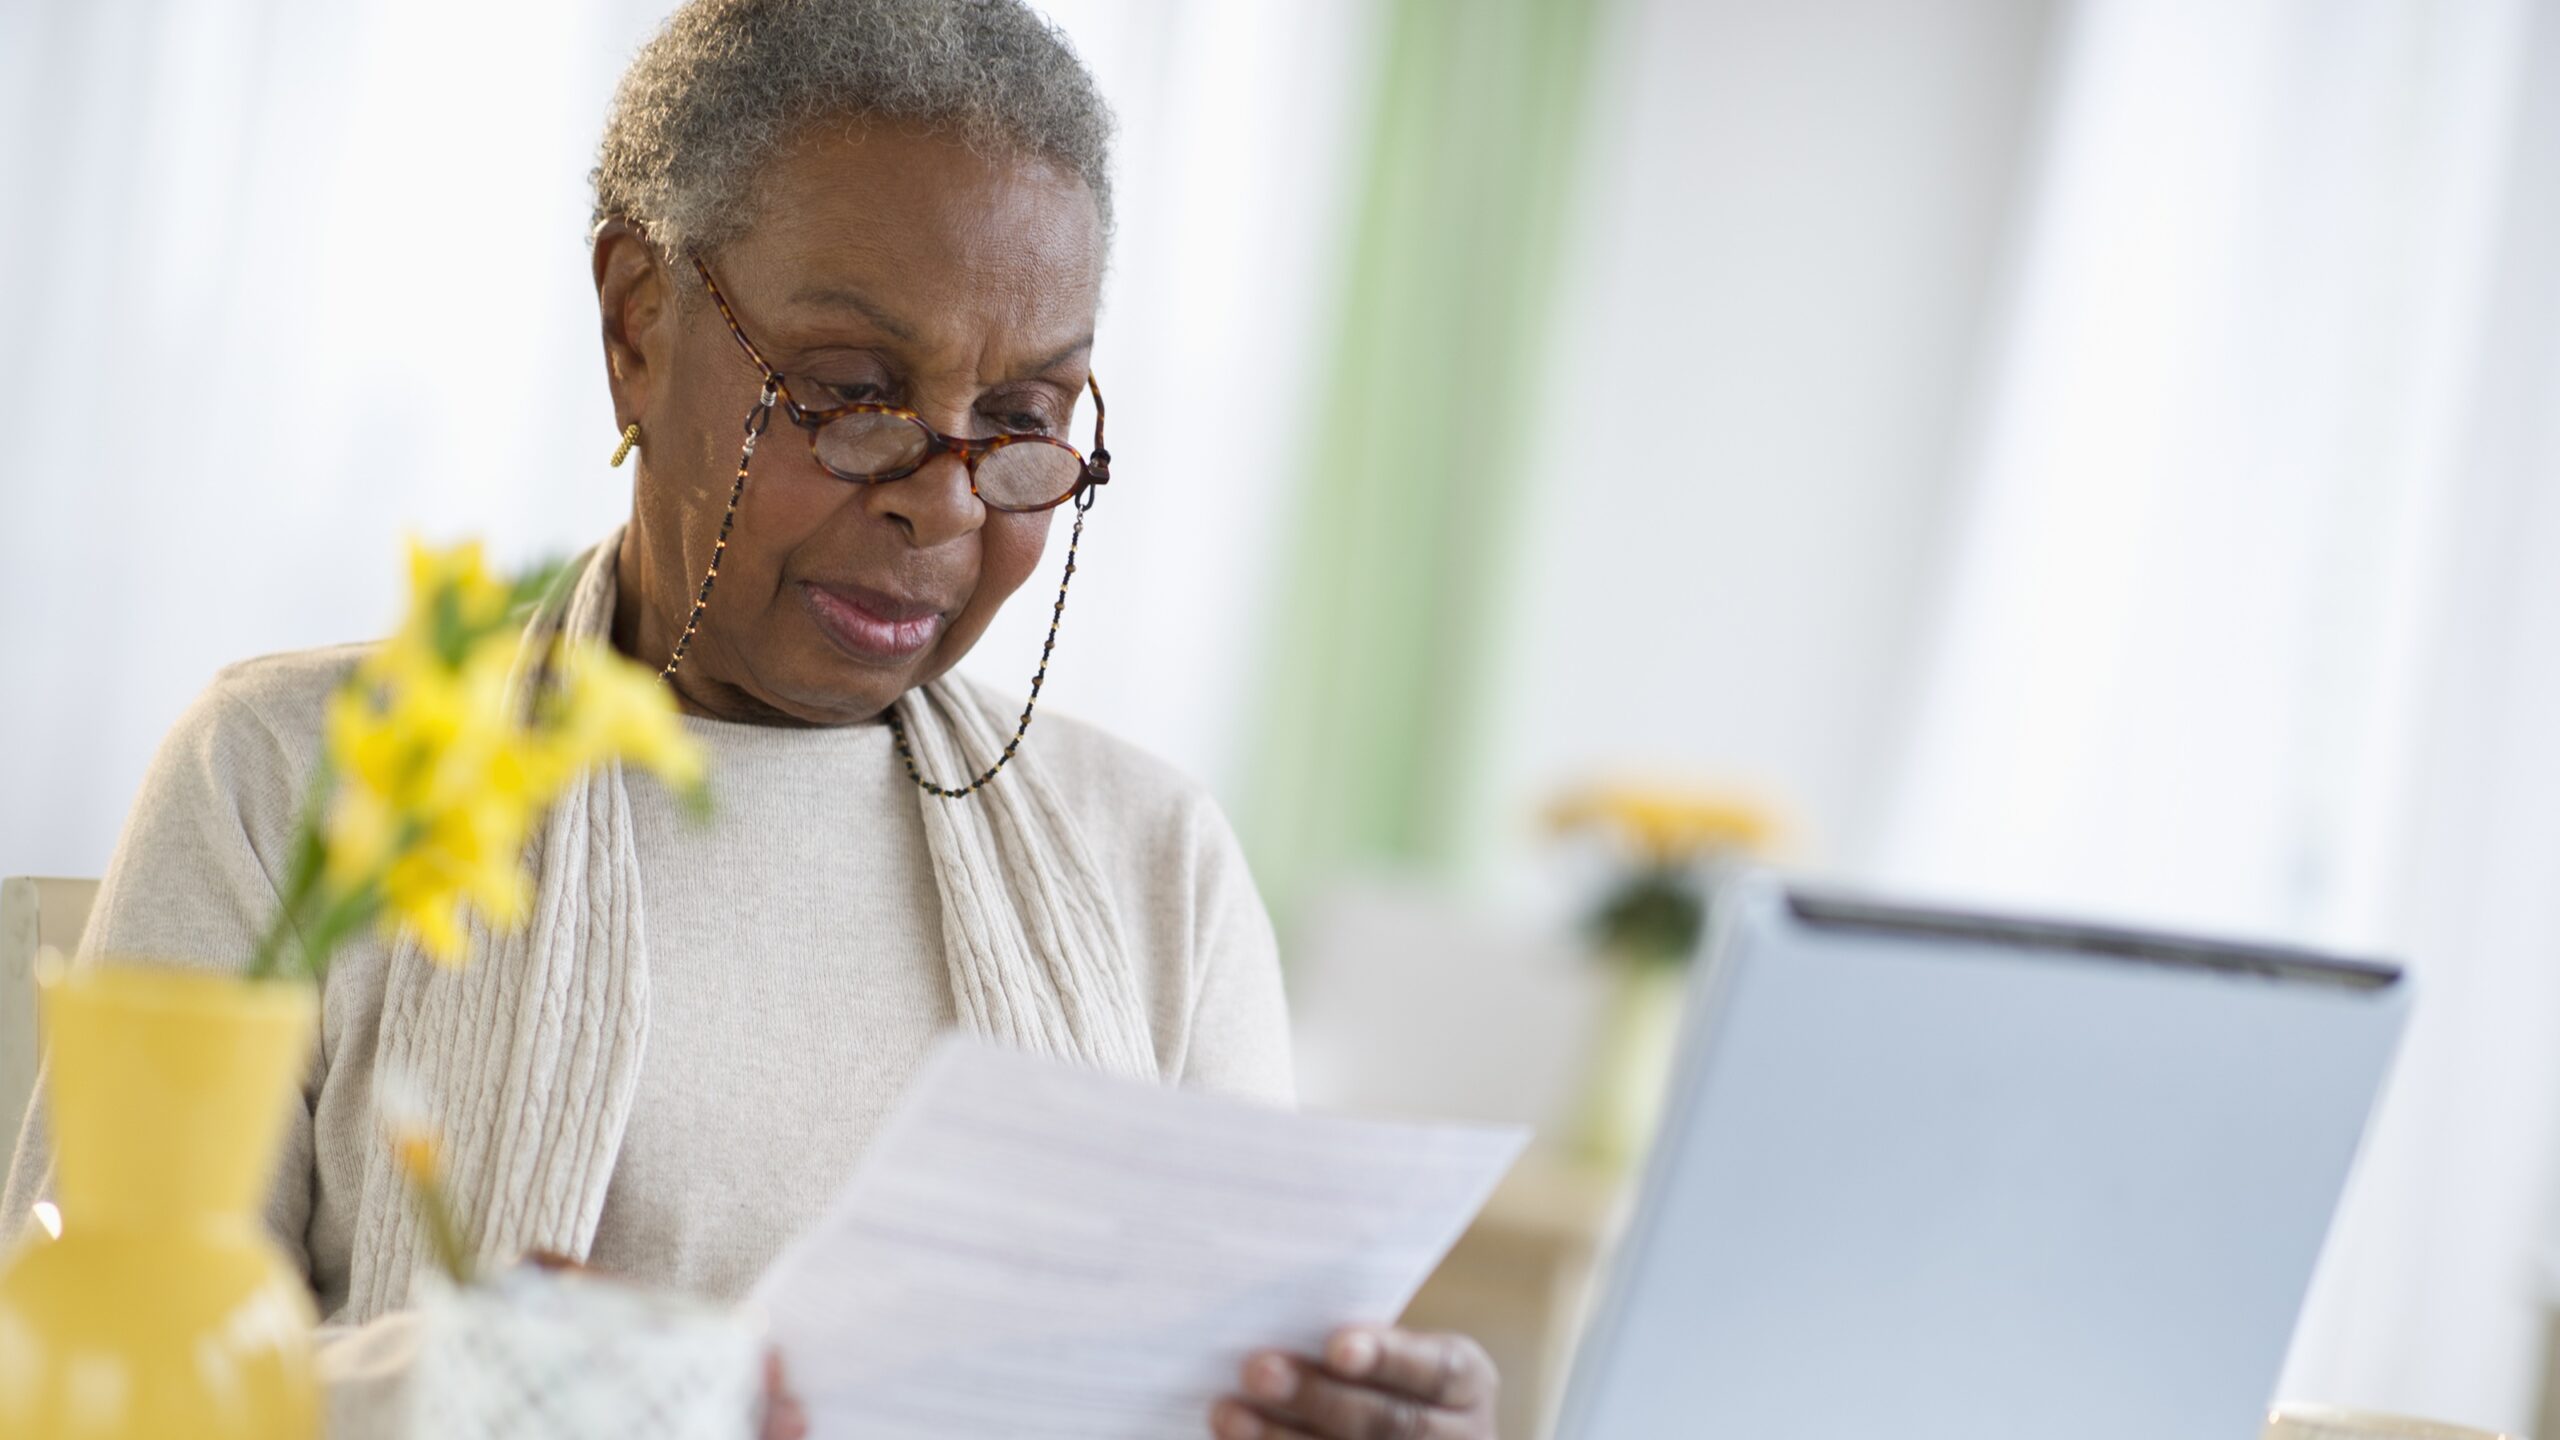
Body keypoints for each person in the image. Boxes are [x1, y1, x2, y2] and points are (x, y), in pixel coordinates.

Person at [1, 1, 1502, 1436]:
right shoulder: (294, 781)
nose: (944, 497)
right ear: (638, 327)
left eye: (1028, 421)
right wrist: (490, 1394)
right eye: (852, 394)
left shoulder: (1153, 864)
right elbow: (75, 1383)